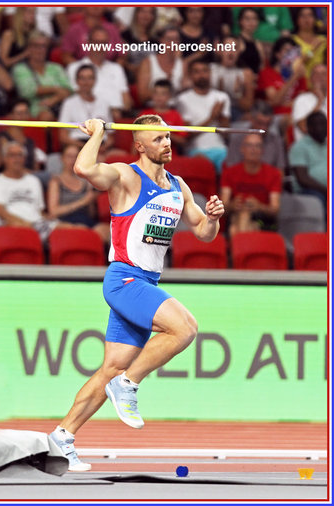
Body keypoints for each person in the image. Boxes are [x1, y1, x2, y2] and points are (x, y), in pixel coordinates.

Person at [48, 114, 225, 471]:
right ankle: (128, 385)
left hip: (147, 283)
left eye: (168, 137)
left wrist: (214, 217)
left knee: (109, 368)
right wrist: (98, 133)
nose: (167, 143)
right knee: (185, 327)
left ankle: (61, 437)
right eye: (158, 138)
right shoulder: (126, 176)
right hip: (124, 279)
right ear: (140, 145)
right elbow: (84, 168)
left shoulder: (179, 186)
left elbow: (204, 232)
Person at [0, 142, 79, 241]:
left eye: (20, 155)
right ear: (4, 158)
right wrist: (26, 225)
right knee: (21, 229)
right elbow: (1, 211)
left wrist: (53, 221)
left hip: (37, 224)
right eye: (12, 155)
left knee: (75, 230)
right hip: (11, 224)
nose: (17, 159)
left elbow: (40, 211)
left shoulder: (33, 181)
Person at [220, 133, 282, 236]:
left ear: (262, 150)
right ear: (242, 149)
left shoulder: (274, 174)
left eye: (257, 146)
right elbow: (223, 207)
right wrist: (232, 205)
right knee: (241, 219)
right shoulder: (229, 173)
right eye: (249, 145)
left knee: (235, 228)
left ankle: (238, 249)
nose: (253, 149)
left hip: (263, 221)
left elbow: (275, 209)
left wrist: (259, 206)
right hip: (236, 217)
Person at [176, 59, 231, 173]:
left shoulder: (222, 97)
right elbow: (188, 134)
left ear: (210, 73)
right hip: (196, 150)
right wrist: (211, 118)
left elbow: (226, 133)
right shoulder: (183, 99)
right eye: (197, 72)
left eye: (205, 71)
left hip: (221, 149)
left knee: (230, 165)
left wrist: (220, 116)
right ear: (191, 75)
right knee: (204, 165)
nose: (202, 75)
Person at [47, 144, 110, 242]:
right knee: (83, 231)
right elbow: (54, 212)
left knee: (108, 230)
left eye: (76, 156)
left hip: (85, 220)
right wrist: (82, 202)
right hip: (65, 222)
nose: (72, 160)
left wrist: (92, 200)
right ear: (62, 158)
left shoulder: (86, 181)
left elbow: (91, 213)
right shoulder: (56, 181)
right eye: (69, 156)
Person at [66, 26, 132, 117]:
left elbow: (127, 102)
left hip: (118, 117)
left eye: (104, 43)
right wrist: (107, 111)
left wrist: (119, 111)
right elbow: (78, 98)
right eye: (97, 42)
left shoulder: (117, 68)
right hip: (87, 118)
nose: (101, 47)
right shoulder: (74, 68)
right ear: (88, 43)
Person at [12, 30, 72, 120]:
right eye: (36, 46)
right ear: (29, 47)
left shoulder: (56, 68)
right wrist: (56, 89)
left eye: (44, 46)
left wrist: (54, 99)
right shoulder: (20, 69)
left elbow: (69, 90)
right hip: (34, 109)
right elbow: (27, 91)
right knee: (46, 116)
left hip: (60, 106)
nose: (40, 50)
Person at [58, 64, 114, 156]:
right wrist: (86, 147)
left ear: (94, 80)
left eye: (90, 78)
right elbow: (63, 136)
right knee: (72, 153)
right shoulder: (69, 103)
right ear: (77, 81)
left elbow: (111, 136)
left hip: (101, 144)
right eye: (82, 78)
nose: (86, 82)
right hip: (78, 144)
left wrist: (102, 148)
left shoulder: (104, 103)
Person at [225, 100, 286, 171]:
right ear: (251, 119)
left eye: (267, 124)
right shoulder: (237, 140)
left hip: (268, 180)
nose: (264, 128)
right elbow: (231, 170)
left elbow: (280, 171)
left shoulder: (276, 141)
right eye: (260, 123)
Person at [210, 35, 255, 121]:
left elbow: (248, 106)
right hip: (211, 110)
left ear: (239, 52)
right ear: (220, 50)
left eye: (234, 48)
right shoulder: (210, 69)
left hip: (235, 112)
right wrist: (219, 93)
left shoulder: (246, 73)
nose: (231, 52)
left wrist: (237, 95)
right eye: (227, 47)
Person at [136, 26, 185, 106]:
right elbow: (142, 96)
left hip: (176, 109)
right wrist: (164, 88)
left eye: (176, 39)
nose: (173, 43)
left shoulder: (182, 64)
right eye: (169, 39)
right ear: (161, 40)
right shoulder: (148, 63)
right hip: (153, 109)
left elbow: (185, 91)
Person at [288, 111, 327, 210]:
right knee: (318, 199)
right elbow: (303, 178)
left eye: (323, 124)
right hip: (308, 191)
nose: (321, 128)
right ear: (309, 128)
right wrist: (327, 190)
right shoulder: (299, 147)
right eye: (316, 125)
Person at [140, 79, 186, 155]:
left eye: (163, 94)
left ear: (169, 96)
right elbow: (137, 139)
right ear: (152, 94)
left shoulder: (175, 115)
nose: (159, 97)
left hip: (169, 157)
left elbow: (182, 140)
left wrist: (164, 132)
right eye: (156, 93)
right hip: (148, 156)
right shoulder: (145, 114)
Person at [291, 63, 327, 142]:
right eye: (316, 74)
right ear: (310, 79)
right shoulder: (301, 100)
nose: (319, 77)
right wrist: (319, 102)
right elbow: (304, 127)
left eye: (324, 74)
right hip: (308, 149)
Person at [291, 6, 327, 82]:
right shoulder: (292, 40)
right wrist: (313, 48)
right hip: (301, 84)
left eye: (310, 15)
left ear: (315, 19)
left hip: (321, 84)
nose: (306, 19)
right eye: (302, 16)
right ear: (297, 19)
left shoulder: (323, 40)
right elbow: (296, 65)